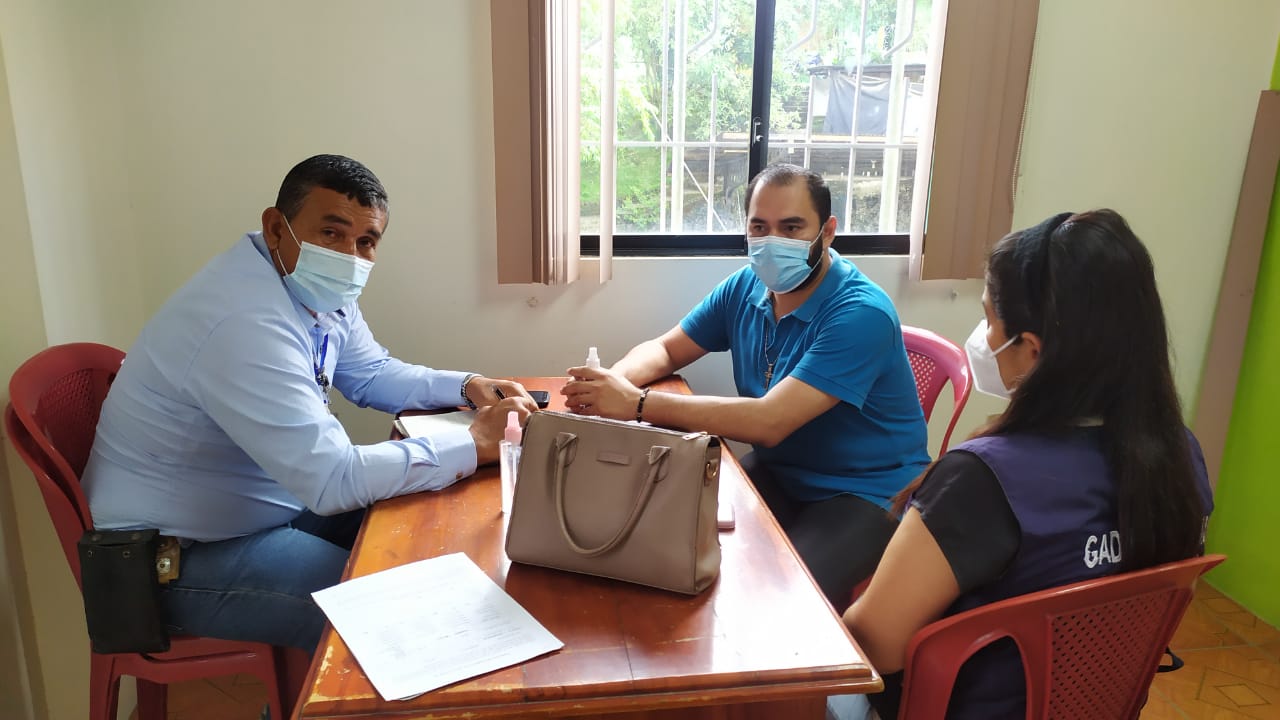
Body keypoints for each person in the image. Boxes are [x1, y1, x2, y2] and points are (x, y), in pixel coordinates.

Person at [82, 154, 537, 655]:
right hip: (180, 556)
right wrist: (473, 442)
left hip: (275, 502)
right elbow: (332, 479)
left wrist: (468, 386)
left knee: (433, 532)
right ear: (276, 227)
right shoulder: (242, 322)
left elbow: (371, 372)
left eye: (366, 241)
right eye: (331, 233)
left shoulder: (309, 284)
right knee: (396, 615)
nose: (349, 255)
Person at [842, 209, 1214, 719]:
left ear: (1032, 351)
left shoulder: (982, 481)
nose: (983, 336)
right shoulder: (1181, 456)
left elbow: (875, 645)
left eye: (989, 319)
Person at [560, 163, 931, 608]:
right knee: (664, 538)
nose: (772, 241)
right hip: (782, 471)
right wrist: (613, 382)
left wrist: (636, 403)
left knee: (786, 601)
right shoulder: (746, 287)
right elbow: (667, 349)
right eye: (759, 227)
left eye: (791, 228)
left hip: (865, 492)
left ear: (827, 232)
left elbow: (769, 422)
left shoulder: (860, 313)